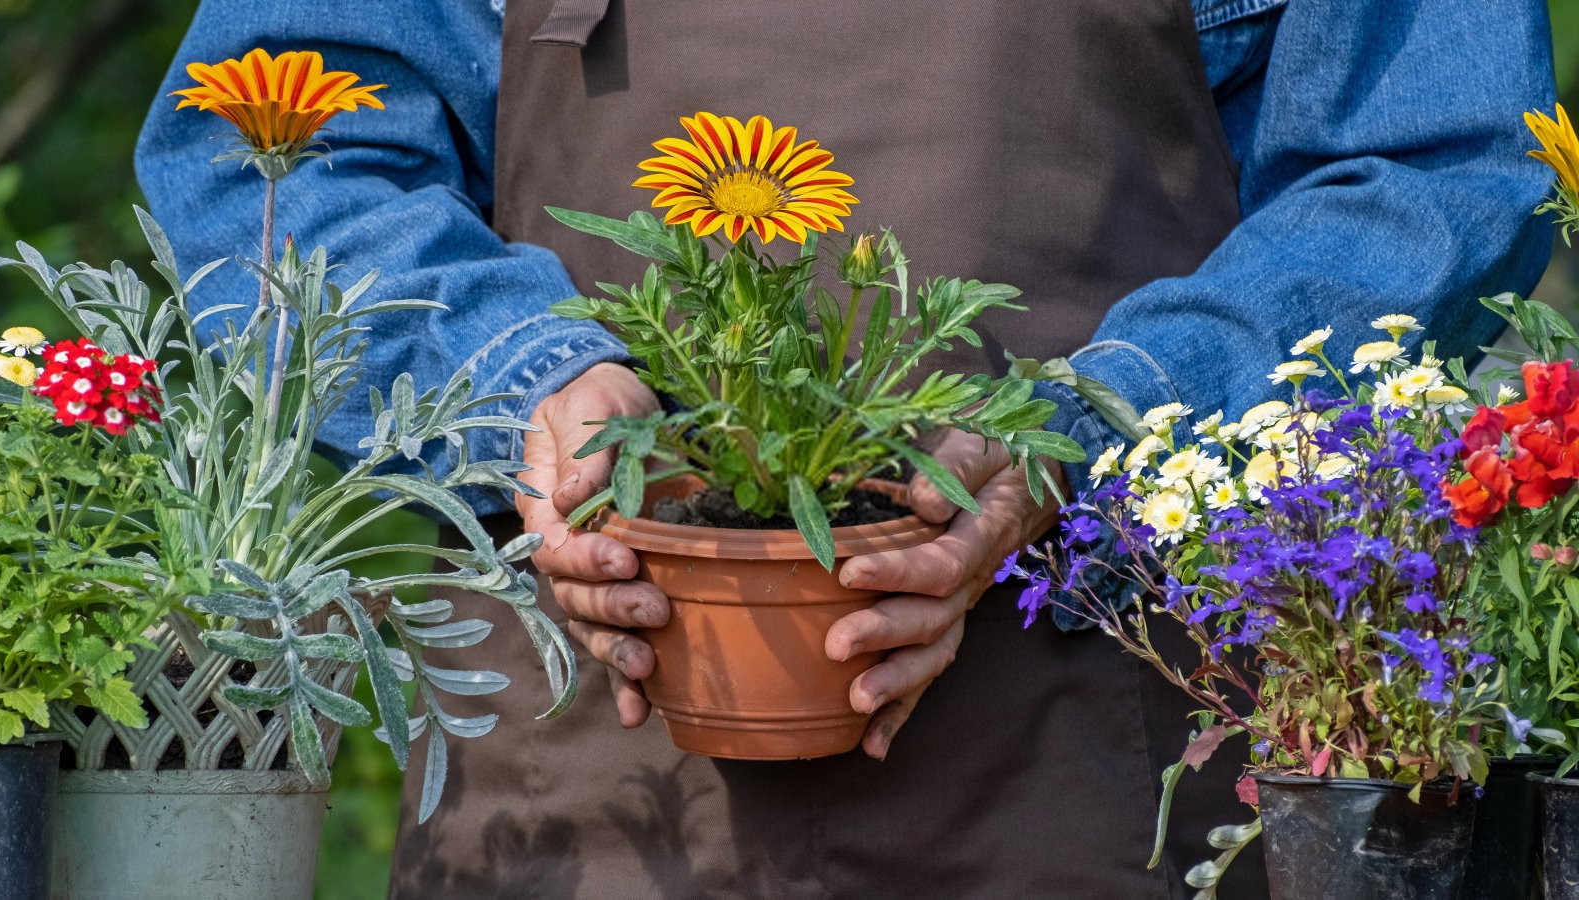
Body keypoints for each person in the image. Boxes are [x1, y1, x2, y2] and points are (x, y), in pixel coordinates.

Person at [136, 1, 1555, 896]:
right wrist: (530, 389)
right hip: (585, 772)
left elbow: (1431, 161)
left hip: (1096, 756)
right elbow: (259, 151)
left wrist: (1081, 429)